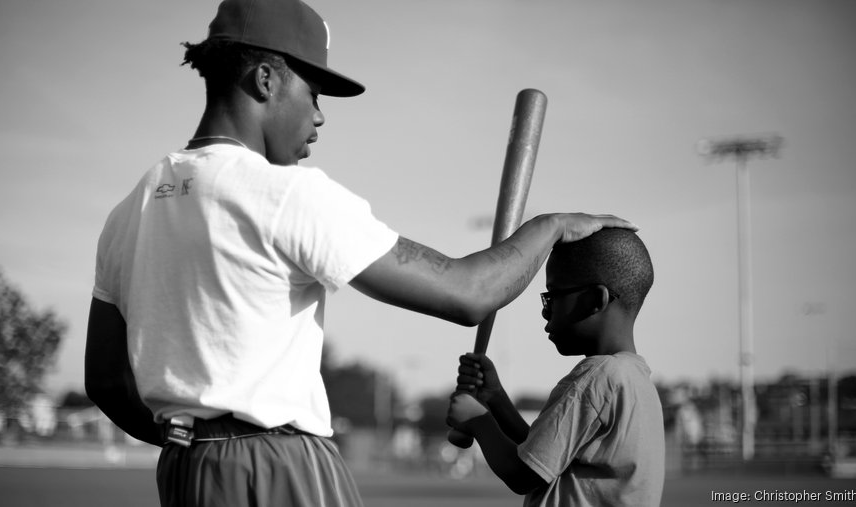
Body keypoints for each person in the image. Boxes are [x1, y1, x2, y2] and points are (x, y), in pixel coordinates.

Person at [84, 0, 637, 505]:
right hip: (281, 464)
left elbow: (106, 382)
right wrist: (551, 225)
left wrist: (181, 434)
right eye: (314, 94)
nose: (320, 117)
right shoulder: (287, 195)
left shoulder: (128, 209)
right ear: (266, 78)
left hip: (184, 471)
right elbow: (470, 294)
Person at [446, 228, 664, 506]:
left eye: (553, 295)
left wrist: (477, 421)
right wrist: (496, 399)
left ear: (596, 300)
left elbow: (523, 474)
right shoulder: (634, 379)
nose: (545, 310)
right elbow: (545, 454)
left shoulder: (594, 378)